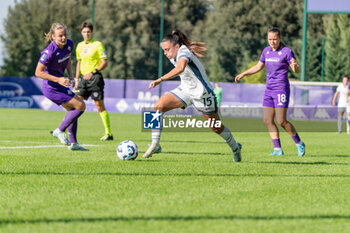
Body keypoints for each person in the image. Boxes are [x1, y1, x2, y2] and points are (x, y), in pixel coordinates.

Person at [143, 29, 242, 162]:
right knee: (158, 106)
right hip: (186, 90)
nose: (165, 53)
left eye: (167, 49)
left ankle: (235, 148)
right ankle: (155, 144)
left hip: (203, 94)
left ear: (176, 46)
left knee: (216, 127)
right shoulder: (175, 53)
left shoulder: (183, 51)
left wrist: (160, 79)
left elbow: (180, 68)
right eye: (163, 50)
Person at [235, 27, 305, 157]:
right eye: (270, 39)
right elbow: (258, 66)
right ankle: (277, 149)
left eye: (275, 39)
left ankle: (299, 143)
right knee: (267, 120)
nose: (272, 42)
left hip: (281, 89)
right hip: (269, 90)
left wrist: (295, 67)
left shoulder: (286, 51)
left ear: (280, 39)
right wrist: (243, 73)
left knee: (281, 121)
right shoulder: (266, 51)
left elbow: (296, 69)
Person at [35, 22, 87, 151]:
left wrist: (70, 75)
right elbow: (38, 72)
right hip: (51, 88)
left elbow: (68, 58)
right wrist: (58, 79)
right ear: (53, 36)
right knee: (80, 105)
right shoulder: (49, 52)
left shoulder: (69, 44)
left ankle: (74, 143)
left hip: (60, 84)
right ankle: (59, 130)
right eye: (60, 36)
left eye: (64, 35)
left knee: (72, 110)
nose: (63, 38)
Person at [74, 21, 113, 141]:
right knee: (75, 104)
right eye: (84, 32)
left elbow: (104, 62)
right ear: (81, 33)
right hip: (82, 81)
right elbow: (79, 62)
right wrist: (76, 79)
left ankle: (108, 133)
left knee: (99, 106)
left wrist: (93, 72)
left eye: (88, 32)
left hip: (95, 79)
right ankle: (65, 129)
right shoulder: (79, 46)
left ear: (92, 32)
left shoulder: (98, 45)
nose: (86, 34)